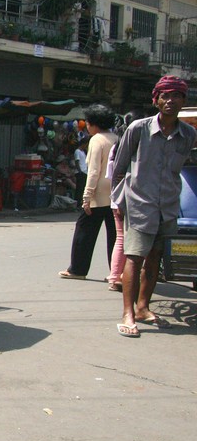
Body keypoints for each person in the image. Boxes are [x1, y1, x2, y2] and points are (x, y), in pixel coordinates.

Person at [112, 76, 196, 337]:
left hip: (168, 206)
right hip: (139, 205)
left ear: (183, 100)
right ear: (156, 100)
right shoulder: (138, 128)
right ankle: (127, 313)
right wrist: (118, 201)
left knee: (155, 260)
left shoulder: (188, 134)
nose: (170, 101)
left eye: (176, 96)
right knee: (134, 258)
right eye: (165, 96)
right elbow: (120, 167)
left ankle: (143, 307)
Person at [58, 104, 117, 280]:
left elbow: (93, 171)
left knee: (84, 230)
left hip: (99, 194)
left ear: (93, 123)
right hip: (116, 193)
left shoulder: (97, 140)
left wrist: (87, 196)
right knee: (115, 236)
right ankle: (116, 273)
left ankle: (78, 269)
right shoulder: (117, 138)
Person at [105, 110, 145, 292]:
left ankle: (116, 276)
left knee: (122, 239)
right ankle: (116, 276)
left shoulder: (117, 145)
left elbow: (111, 175)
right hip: (131, 199)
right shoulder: (137, 146)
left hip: (120, 198)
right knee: (125, 239)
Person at [73, 136, 88, 206]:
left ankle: (81, 202)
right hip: (81, 172)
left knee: (83, 188)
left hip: (85, 171)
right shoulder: (77, 151)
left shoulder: (83, 152)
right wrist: (80, 171)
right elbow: (77, 161)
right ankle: (77, 203)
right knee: (79, 188)